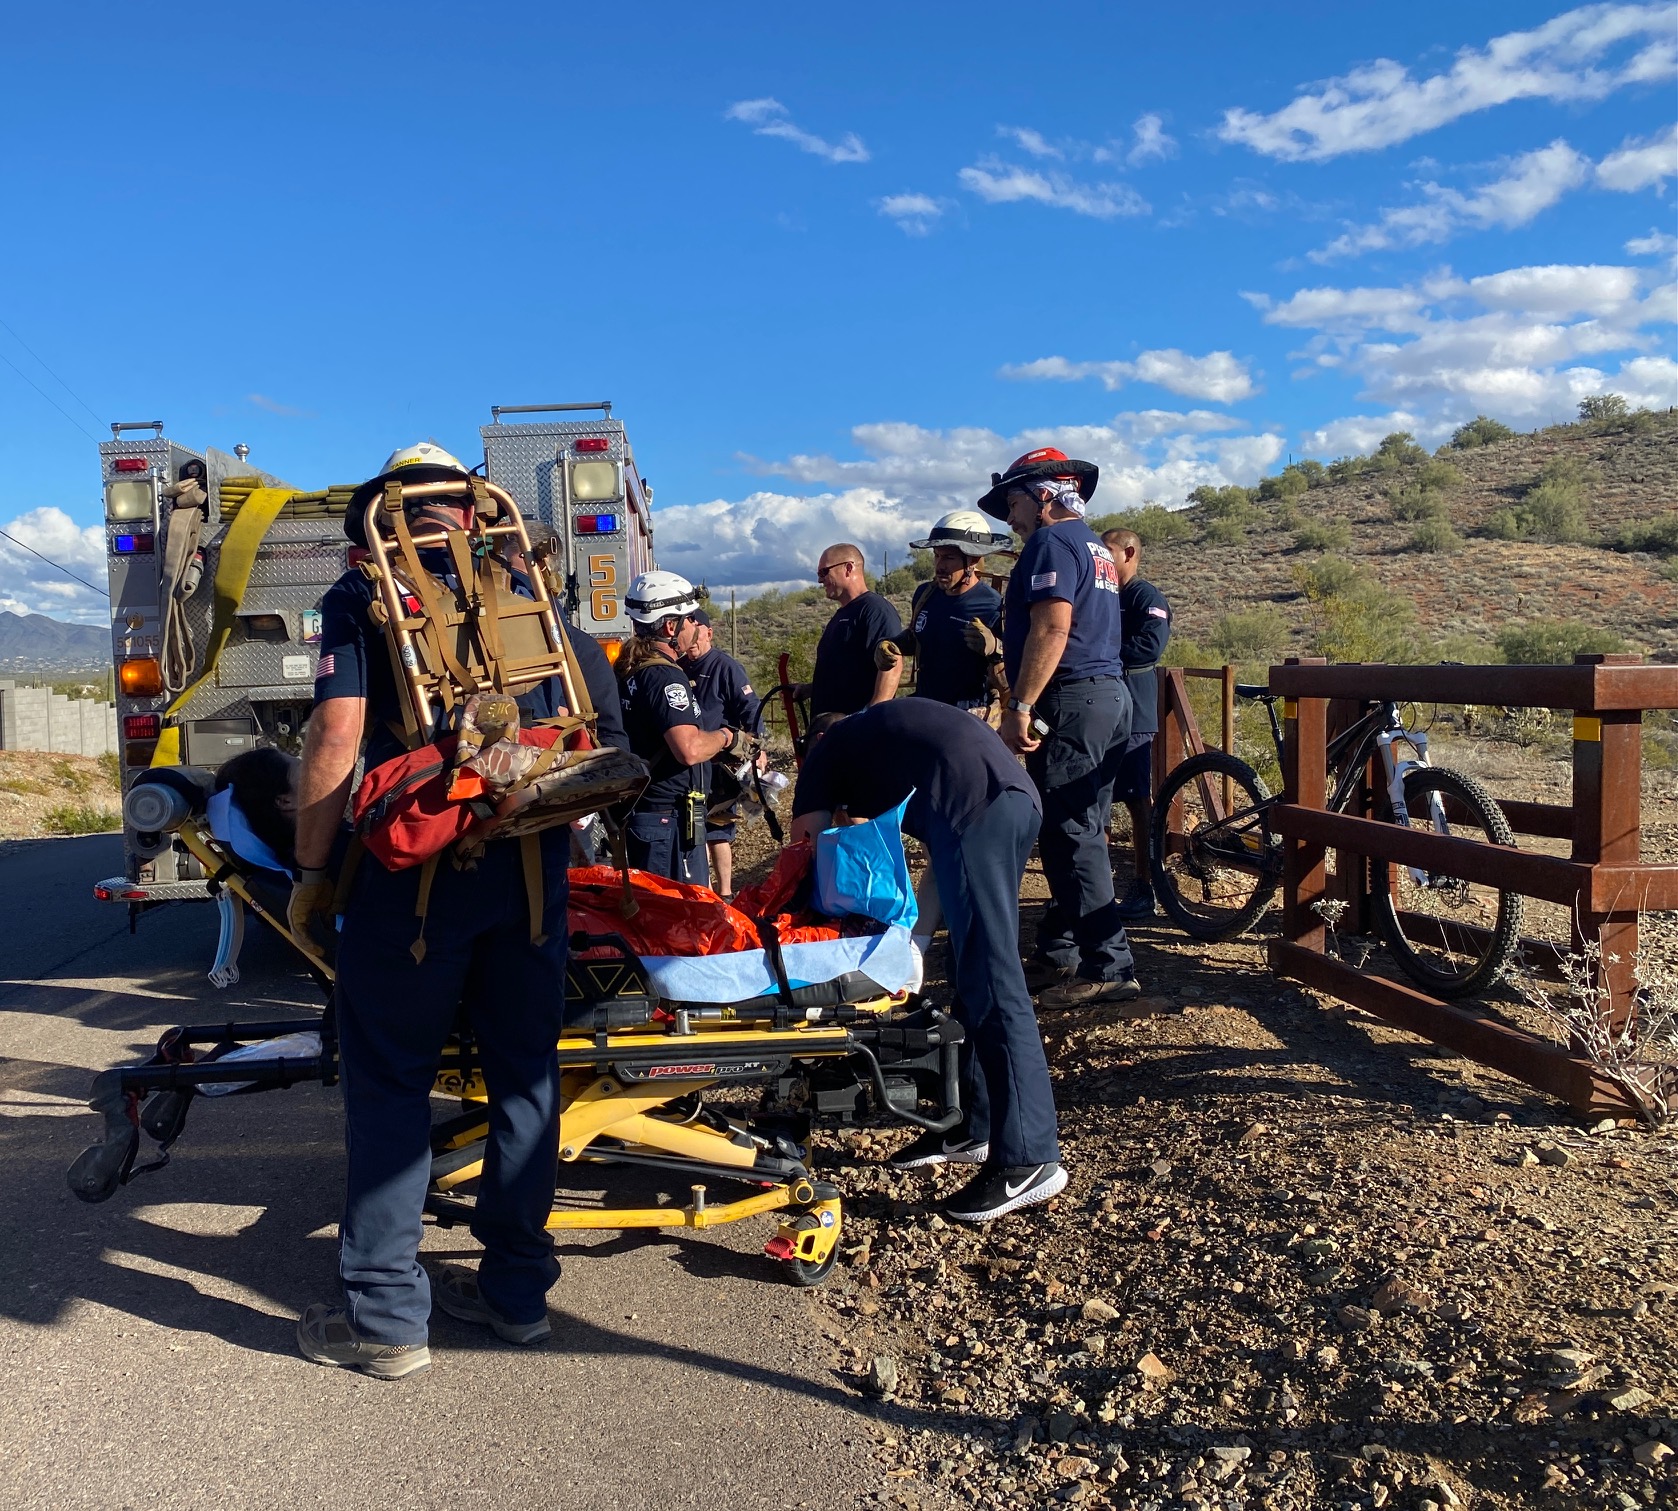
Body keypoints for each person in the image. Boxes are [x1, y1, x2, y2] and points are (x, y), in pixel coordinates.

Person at [289, 442, 576, 1379]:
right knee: (526, 1080)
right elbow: (592, 731)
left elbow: (337, 736)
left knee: (392, 1081)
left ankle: (384, 1318)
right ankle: (519, 1293)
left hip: (416, 877)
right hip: (533, 873)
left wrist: (312, 870)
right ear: (467, 506)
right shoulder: (528, 586)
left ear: (389, 508)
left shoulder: (366, 592)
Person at [790, 700, 1065, 1222]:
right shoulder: (885, 741)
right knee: (969, 969)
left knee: (992, 974)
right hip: (1009, 800)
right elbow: (909, 853)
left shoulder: (826, 757)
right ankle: (975, 1127)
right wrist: (914, 942)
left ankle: (1029, 1157)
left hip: (976, 811)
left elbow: (809, 851)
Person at [978, 447, 1140, 1010]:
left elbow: (1052, 626)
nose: (1010, 518)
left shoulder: (1050, 542)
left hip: (1073, 696)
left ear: (1043, 495)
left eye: (1013, 503)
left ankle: (1109, 965)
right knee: (1074, 826)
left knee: (1073, 833)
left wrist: (1019, 703)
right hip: (1106, 694)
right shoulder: (1093, 545)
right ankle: (1061, 951)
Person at [615, 572, 743, 886]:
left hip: (656, 816)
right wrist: (728, 737)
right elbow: (689, 749)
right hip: (667, 822)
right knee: (677, 915)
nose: (695, 629)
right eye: (689, 621)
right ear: (670, 626)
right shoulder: (664, 676)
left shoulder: (632, 669)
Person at [1102, 529, 1172, 919]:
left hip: (1134, 712)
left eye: (1107, 551)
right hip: (1103, 713)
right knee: (1098, 800)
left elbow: (1149, 646)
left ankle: (1146, 885)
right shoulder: (1103, 595)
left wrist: (1099, 656)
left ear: (1128, 553)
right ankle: (1099, 887)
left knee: (1135, 798)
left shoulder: (1146, 597)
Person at [884, 511, 1009, 712]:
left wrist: (996, 648)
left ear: (973, 560)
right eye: (936, 556)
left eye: (949, 558)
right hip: (926, 708)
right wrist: (894, 645)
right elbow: (919, 636)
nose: (940, 565)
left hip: (968, 716)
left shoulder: (993, 606)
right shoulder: (924, 595)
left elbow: (1014, 672)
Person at [681, 607, 762, 899]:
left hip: (721, 764)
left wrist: (757, 748)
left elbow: (751, 709)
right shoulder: (677, 667)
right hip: (690, 763)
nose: (692, 641)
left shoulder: (725, 667)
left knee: (719, 831)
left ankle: (726, 894)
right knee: (694, 828)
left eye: (697, 634)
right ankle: (706, 893)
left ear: (709, 633)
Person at [805, 543, 902, 718]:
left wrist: (871, 717)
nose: (820, 580)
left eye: (824, 572)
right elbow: (847, 674)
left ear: (848, 568)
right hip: (832, 729)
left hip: (857, 732)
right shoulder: (842, 614)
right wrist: (810, 689)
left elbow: (892, 665)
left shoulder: (876, 610)